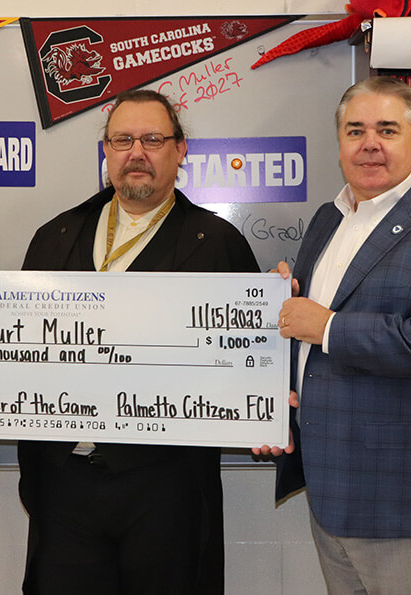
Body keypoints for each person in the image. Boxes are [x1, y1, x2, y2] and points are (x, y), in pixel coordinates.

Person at [260, 76, 411, 594]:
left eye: (387, 129)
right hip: (334, 492)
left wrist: (324, 325)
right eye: (355, 130)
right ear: (340, 142)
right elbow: (309, 342)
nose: (369, 143)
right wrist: (275, 399)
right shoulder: (330, 219)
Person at [17, 89, 259, 594]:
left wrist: (271, 330)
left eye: (152, 139)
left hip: (166, 486)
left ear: (181, 149)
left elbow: (249, 363)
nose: (137, 152)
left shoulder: (218, 244)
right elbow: (17, 351)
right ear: (106, 151)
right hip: (64, 485)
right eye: (122, 139)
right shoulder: (55, 236)